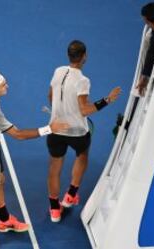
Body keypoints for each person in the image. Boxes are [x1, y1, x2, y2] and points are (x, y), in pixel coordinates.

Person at [0, 71, 69, 242]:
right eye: (3, 85)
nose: (7, 86)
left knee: (0, 180)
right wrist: (49, 129)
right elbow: (18, 135)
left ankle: (4, 219)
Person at [46, 40, 121, 222]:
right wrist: (108, 99)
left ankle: (55, 210)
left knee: (54, 169)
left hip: (55, 129)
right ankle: (71, 195)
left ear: (68, 56)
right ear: (84, 56)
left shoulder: (58, 71)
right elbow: (84, 110)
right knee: (82, 156)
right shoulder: (83, 80)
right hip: (78, 132)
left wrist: (61, 112)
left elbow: (50, 96)